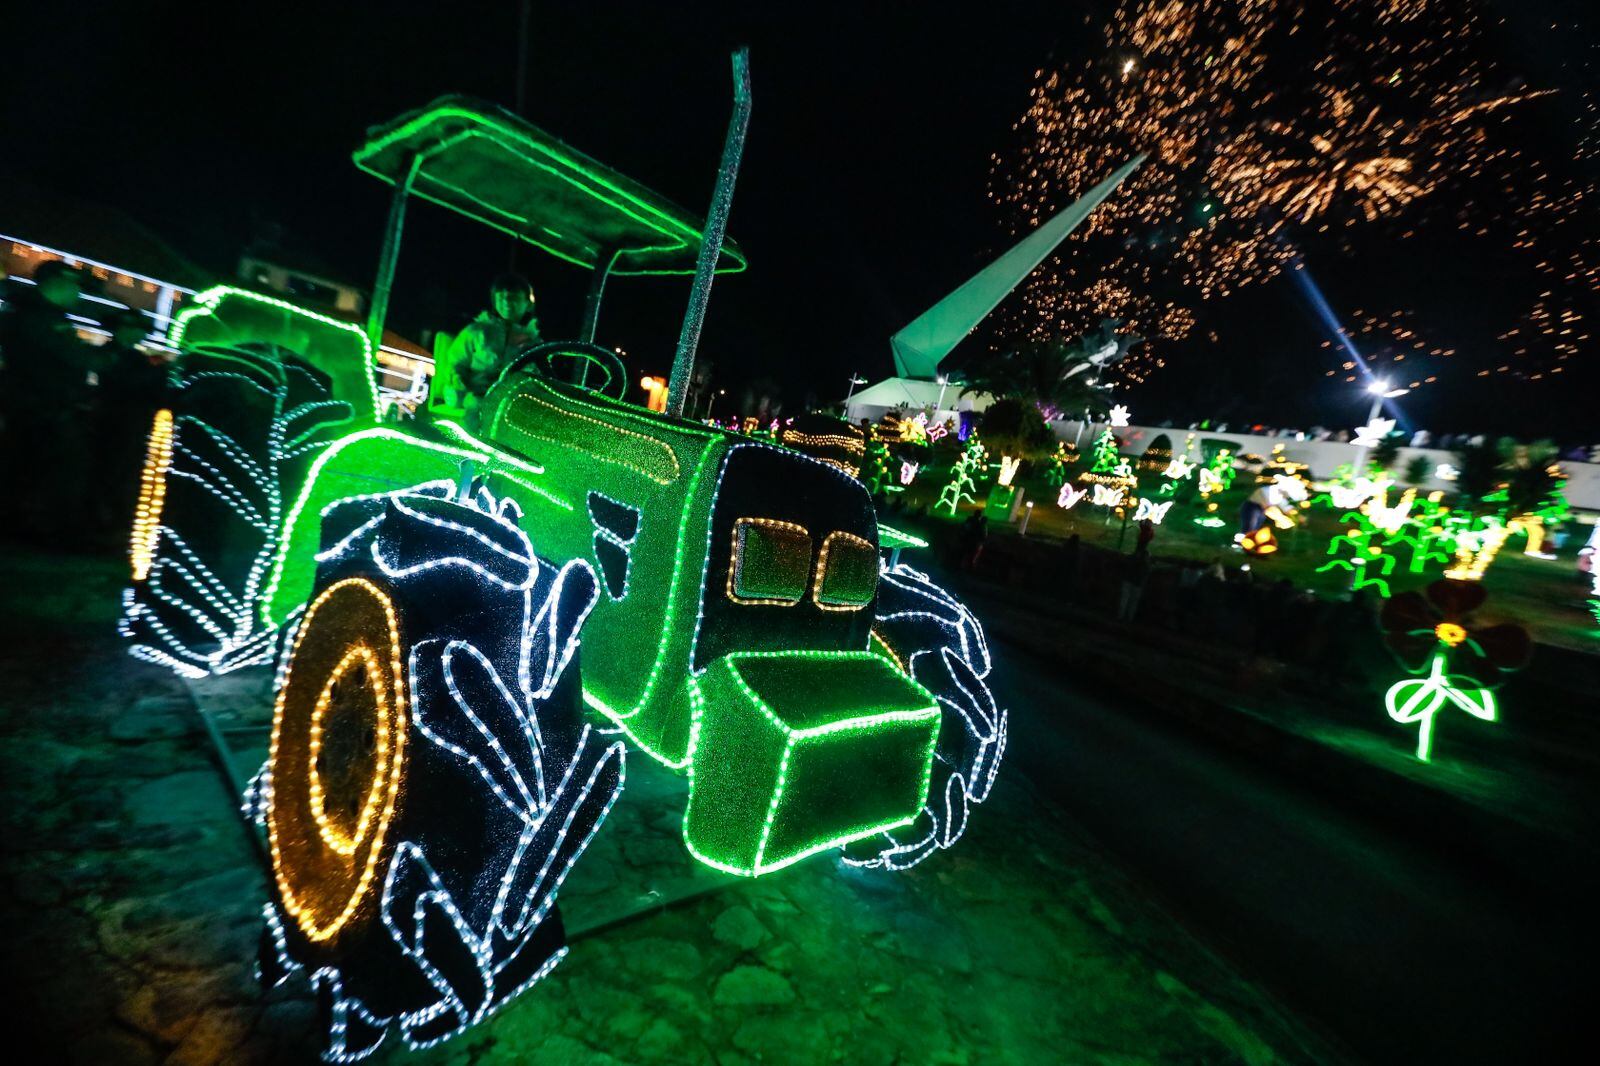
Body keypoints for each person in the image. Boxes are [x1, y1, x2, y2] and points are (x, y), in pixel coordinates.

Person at [0, 260, 102, 540]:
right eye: (75, 286)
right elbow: (79, 358)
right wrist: (111, 356)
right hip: (41, 409)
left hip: (36, 407)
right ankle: (36, 532)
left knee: (30, 470)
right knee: (49, 471)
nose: (78, 295)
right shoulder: (40, 318)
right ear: (58, 283)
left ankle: (29, 527)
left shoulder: (28, 313)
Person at [95, 308, 171, 531]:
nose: (139, 335)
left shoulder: (136, 357)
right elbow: (129, 383)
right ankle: (104, 523)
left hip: (131, 423)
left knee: (125, 474)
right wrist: (160, 371)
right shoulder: (113, 355)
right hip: (115, 422)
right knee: (112, 473)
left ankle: (113, 522)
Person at [441, 272, 541, 429]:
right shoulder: (477, 331)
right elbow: (456, 362)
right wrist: (460, 384)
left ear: (528, 304)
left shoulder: (533, 343)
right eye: (501, 297)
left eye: (514, 297)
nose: (506, 302)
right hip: (477, 398)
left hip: (512, 404)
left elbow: (537, 377)